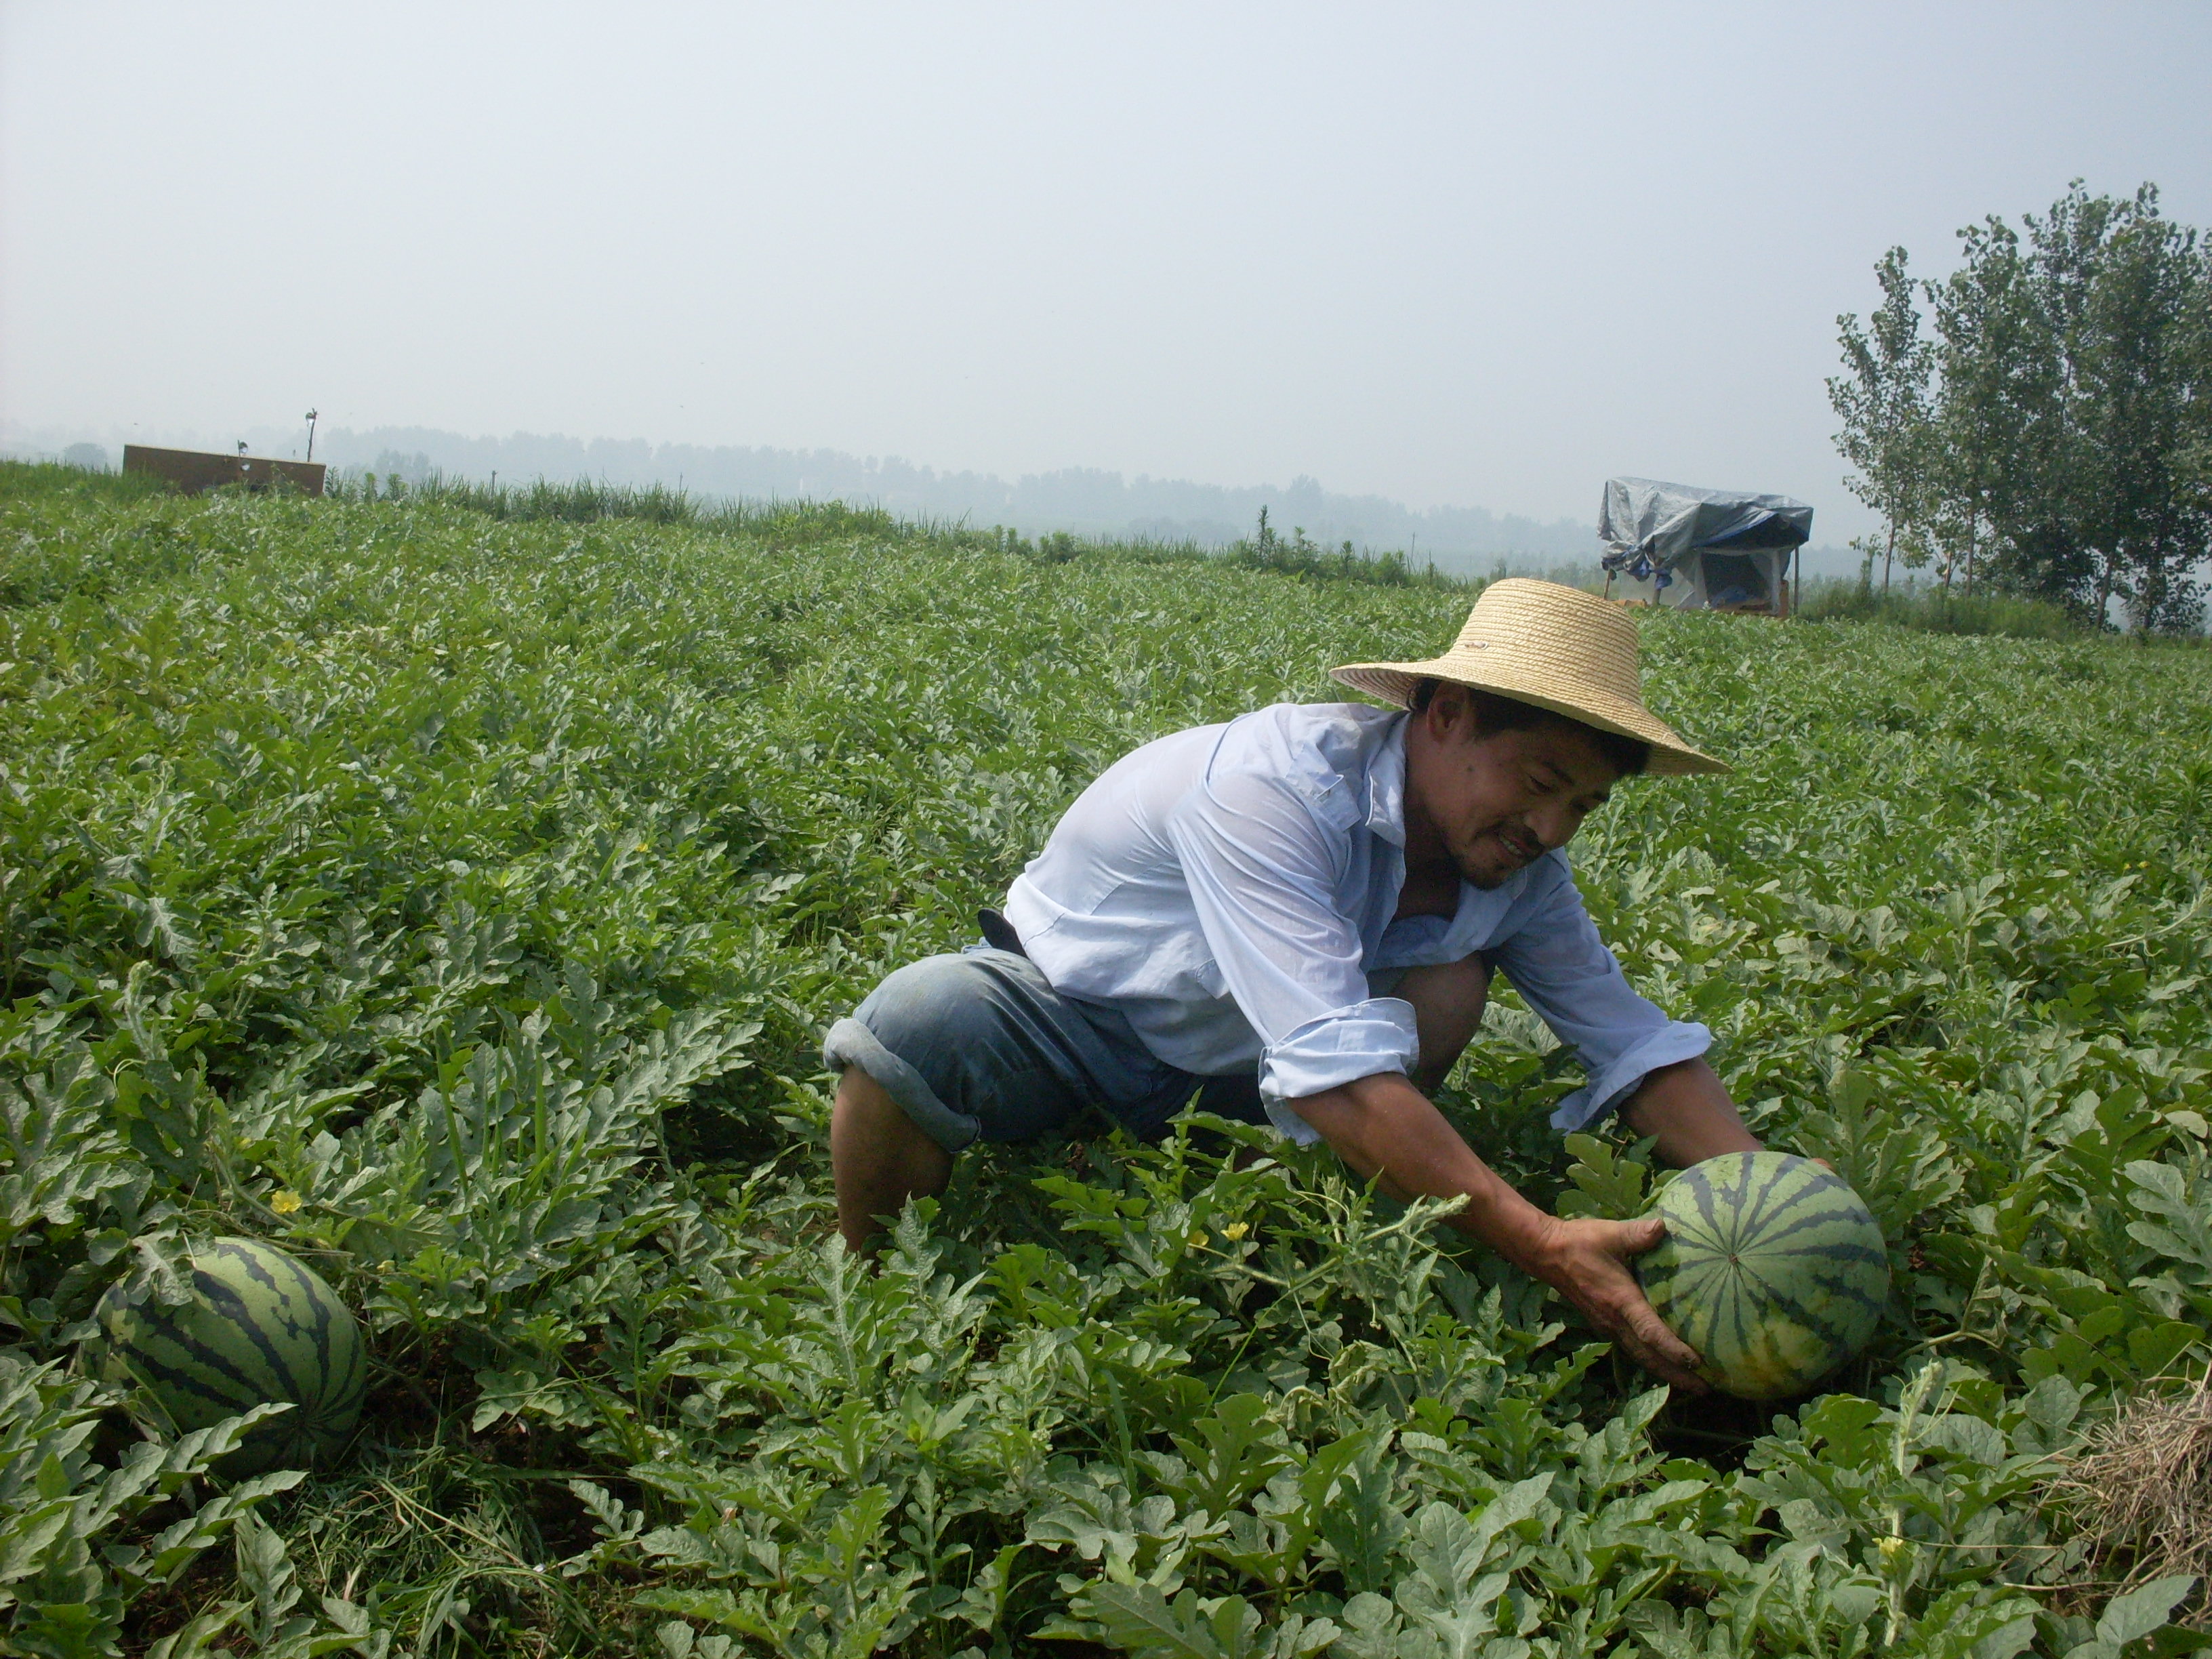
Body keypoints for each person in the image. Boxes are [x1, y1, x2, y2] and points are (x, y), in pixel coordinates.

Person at [823, 578, 1764, 1390]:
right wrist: (1540, 1241)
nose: (1550, 830)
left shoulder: (1520, 872)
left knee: (1449, 986)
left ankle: (1270, 1209)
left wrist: (1773, 1189)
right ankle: (876, 1298)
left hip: (1251, 1073)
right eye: (1539, 782)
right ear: (1444, 716)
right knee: (917, 1022)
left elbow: (1633, 1046)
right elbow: (1333, 1070)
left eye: (1582, 808)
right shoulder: (1275, 788)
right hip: (1081, 1026)